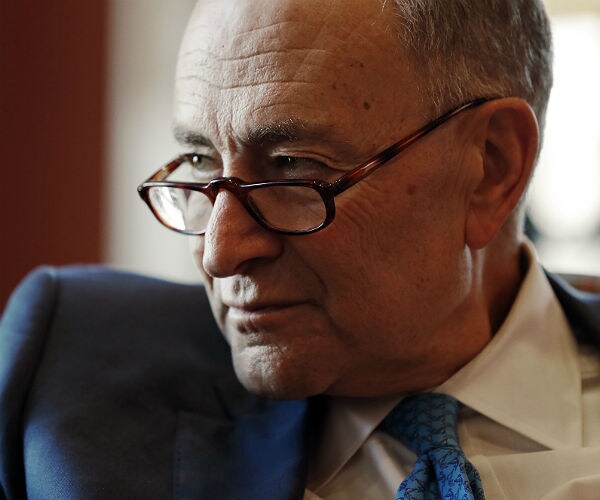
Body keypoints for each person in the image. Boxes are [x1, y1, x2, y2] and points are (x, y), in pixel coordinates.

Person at [1, 0, 600, 499]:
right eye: (201, 161)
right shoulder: (66, 373)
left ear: (491, 167)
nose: (220, 253)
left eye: (292, 167)